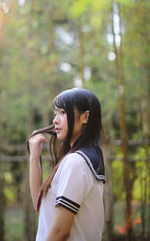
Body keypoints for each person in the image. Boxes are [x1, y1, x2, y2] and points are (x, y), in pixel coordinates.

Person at [28, 88, 106, 241]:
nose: (55, 120)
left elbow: (60, 232)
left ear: (85, 117)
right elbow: (39, 205)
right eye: (55, 113)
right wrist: (34, 159)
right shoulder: (80, 158)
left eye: (63, 112)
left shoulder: (77, 162)